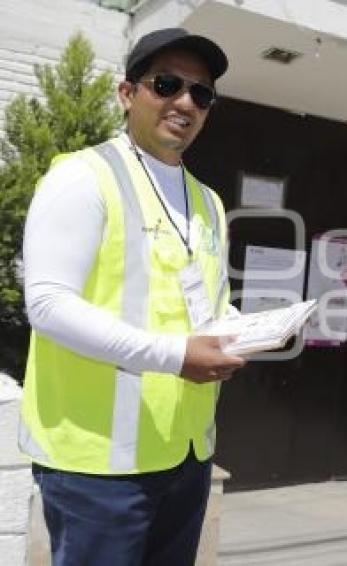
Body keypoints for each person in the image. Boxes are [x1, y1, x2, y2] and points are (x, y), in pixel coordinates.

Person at [19, 28, 246, 566]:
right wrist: (175, 355)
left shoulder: (209, 202)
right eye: (167, 84)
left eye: (202, 93)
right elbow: (48, 304)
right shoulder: (82, 177)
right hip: (98, 466)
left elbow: (210, 303)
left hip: (186, 453)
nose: (185, 102)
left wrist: (245, 330)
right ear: (128, 94)